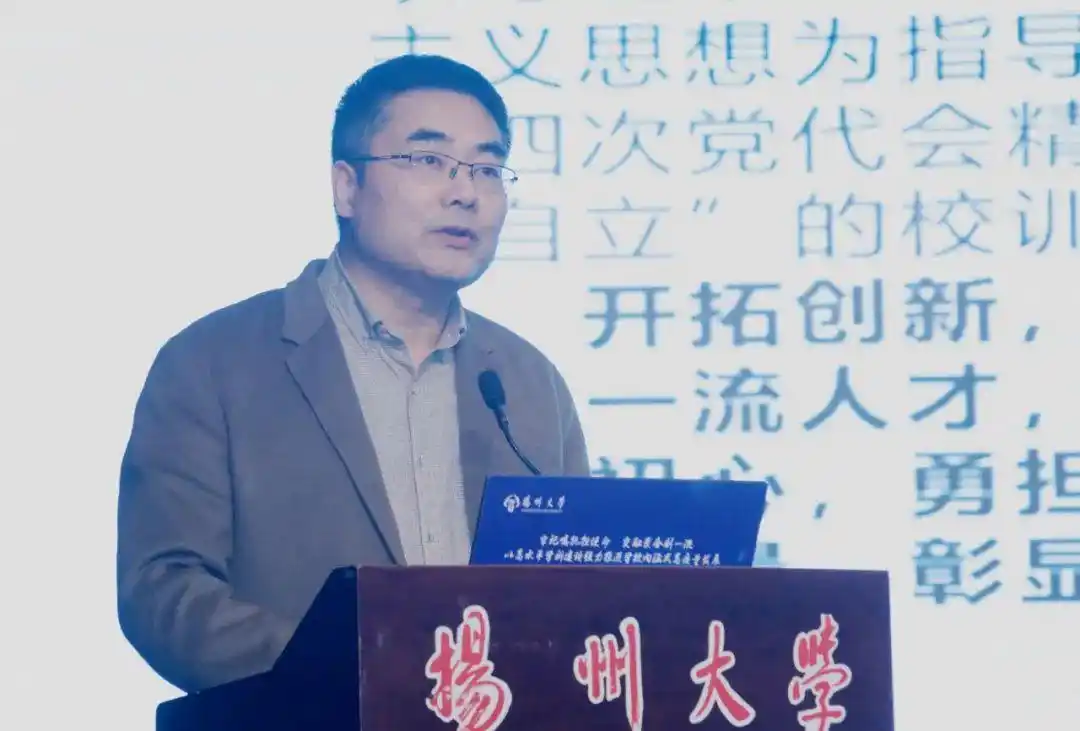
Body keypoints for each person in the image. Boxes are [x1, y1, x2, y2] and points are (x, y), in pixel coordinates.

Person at [116, 54, 590, 693]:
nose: (464, 192)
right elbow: (164, 590)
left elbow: (581, 592)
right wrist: (358, 675)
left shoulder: (530, 384)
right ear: (346, 187)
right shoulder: (212, 363)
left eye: (486, 168)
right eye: (428, 160)